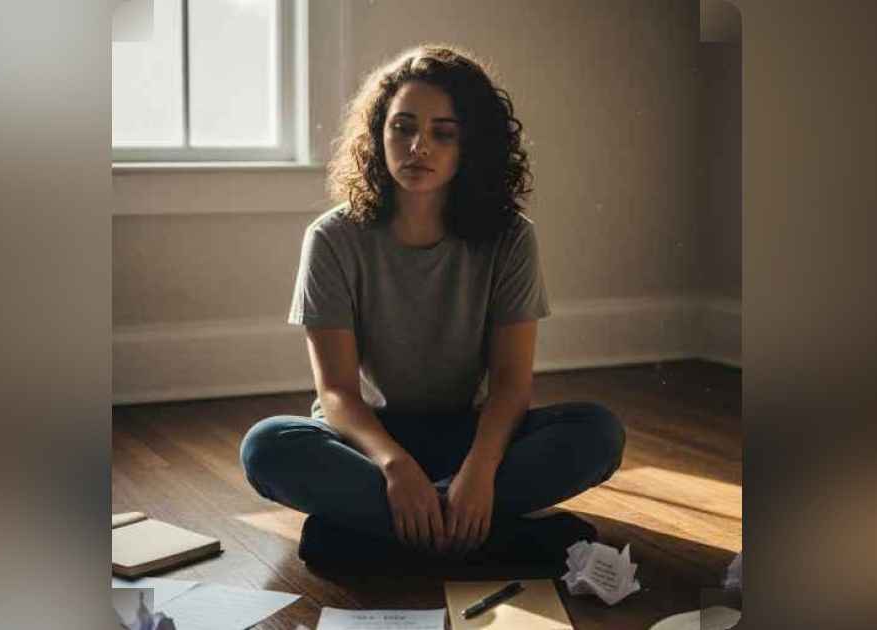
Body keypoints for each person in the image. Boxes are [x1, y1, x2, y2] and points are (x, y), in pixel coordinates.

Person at [240, 44, 625, 565]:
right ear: (378, 134)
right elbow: (336, 393)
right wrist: (397, 469)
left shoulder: (511, 238)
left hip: (475, 433)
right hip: (371, 443)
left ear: (471, 146)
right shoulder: (331, 239)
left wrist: (481, 471)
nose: (419, 145)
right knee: (266, 448)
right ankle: (493, 537)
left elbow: (512, 386)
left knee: (598, 433)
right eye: (402, 127)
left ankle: (380, 536)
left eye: (443, 132)